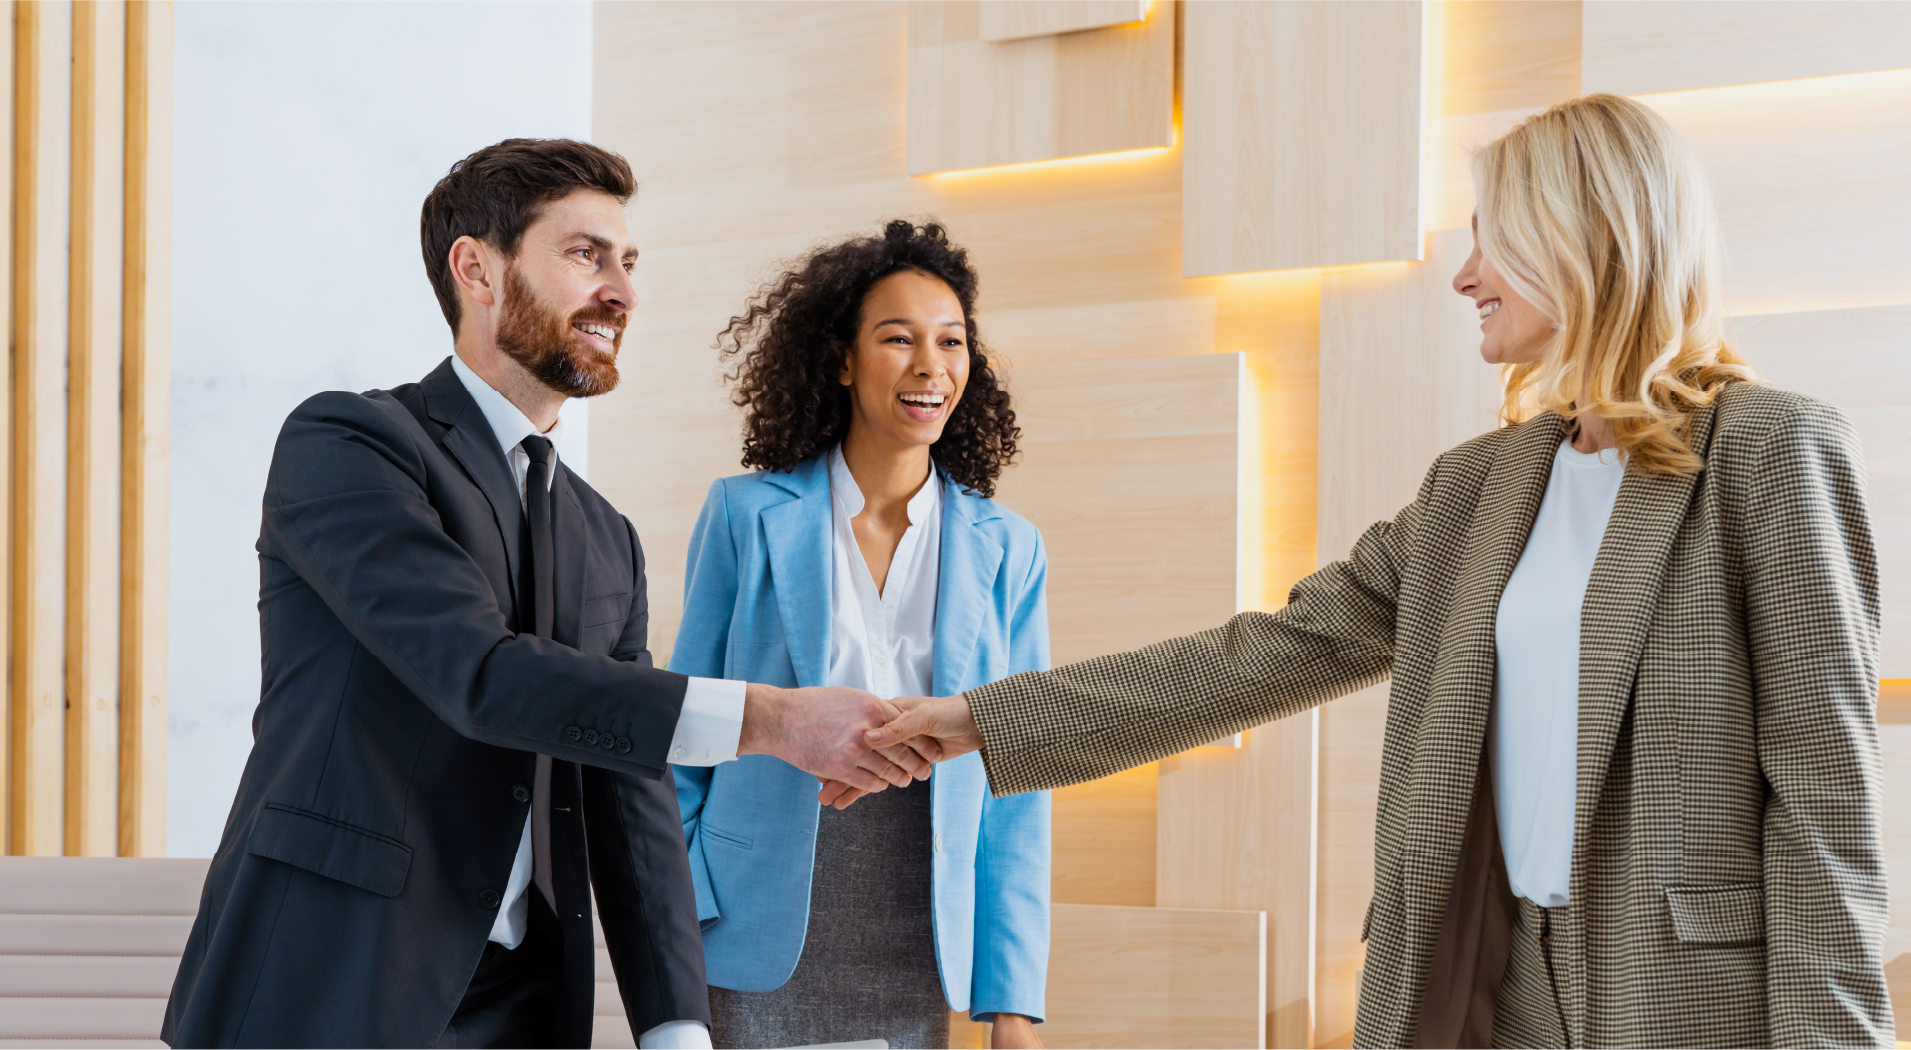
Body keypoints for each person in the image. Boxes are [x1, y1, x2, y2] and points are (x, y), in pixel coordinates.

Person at [867, 95, 1897, 1048]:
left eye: (1491, 233)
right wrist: (981, 722)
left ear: (1583, 241)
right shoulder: (1476, 489)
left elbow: (1823, 809)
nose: (1464, 272)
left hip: (1683, 995)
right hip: (1484, 979)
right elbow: (1260, 657)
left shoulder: (1768, 452)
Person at [162, 139, 931, 1050]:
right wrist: (769, 720)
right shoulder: (352, 443)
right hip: (328, 984)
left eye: (629, 263)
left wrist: (675, 1028)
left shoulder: (606, 536)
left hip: (523, 1005)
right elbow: (478, 676)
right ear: (475, 269)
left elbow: (628, 789)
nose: (623, 292)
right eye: (585, 255)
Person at [672, 220, 1052, 1050]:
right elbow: (686, 722)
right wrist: (684, 903)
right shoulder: (743, 514)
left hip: (922, 911)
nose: (930, 365)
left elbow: (1017, 781)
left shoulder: (1008, 547)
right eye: (897, 338)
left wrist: (1011, 1004)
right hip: (750, 912)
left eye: (951, 342)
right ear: (841, 360)